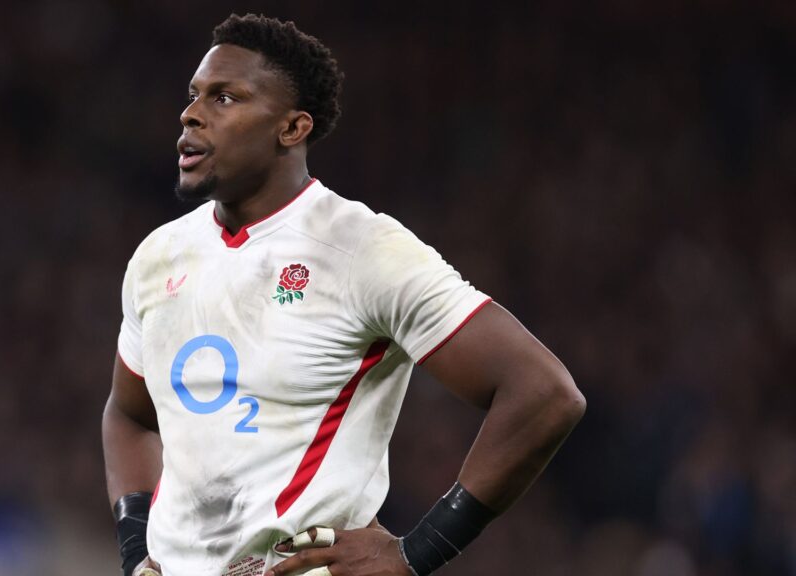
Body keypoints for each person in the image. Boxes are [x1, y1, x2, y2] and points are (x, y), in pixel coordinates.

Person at [102, 13, 585, 576]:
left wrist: (417, 552)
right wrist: (137, 555)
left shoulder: (362, 249)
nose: (190, 114)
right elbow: (128, 416)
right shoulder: (158, 257)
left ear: (292, 129)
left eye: (225, 98)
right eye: (194, 95)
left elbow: (544, 394)